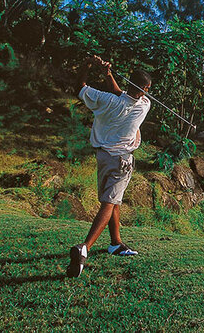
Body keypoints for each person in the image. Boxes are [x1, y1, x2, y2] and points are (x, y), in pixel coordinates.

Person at [67, 55, 152, 278]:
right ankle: (84, 248)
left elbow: (81, 87)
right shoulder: (145, 105)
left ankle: (116, 243)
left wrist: (87, 65)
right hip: (122, 161)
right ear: (143, 89)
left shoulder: (104, 100)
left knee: (113, 200)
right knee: (109, 203)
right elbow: (123, 96)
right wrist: (108, 75)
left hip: (103, 158)